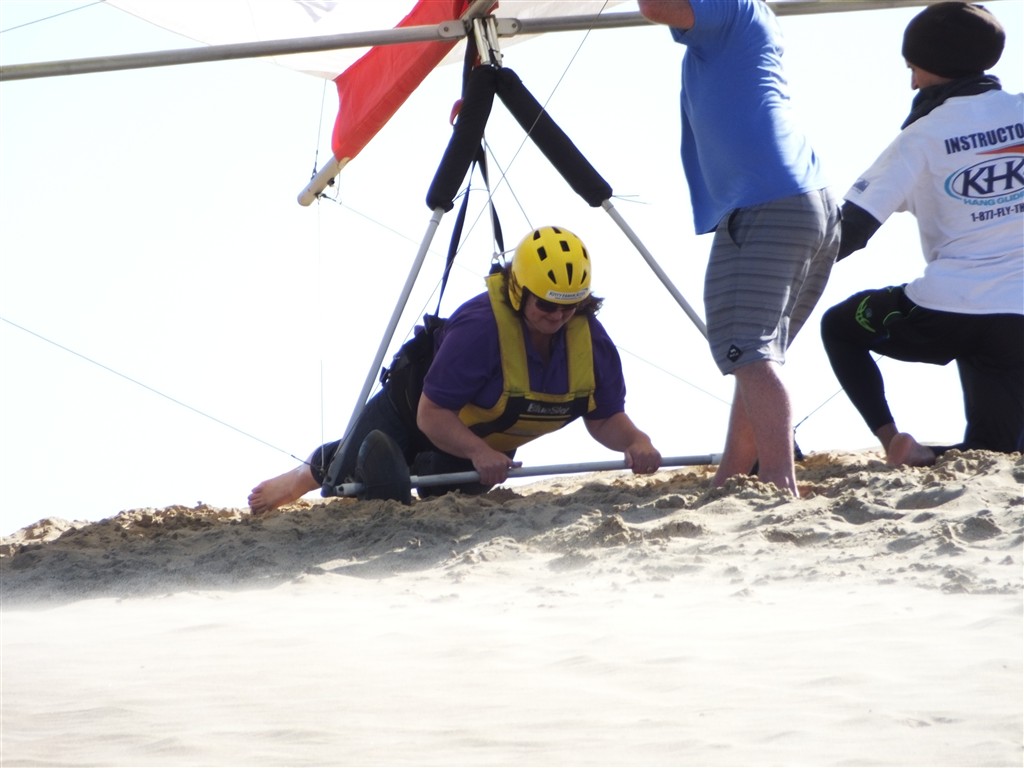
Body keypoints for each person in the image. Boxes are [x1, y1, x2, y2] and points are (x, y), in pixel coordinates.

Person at [249, 225, 662, 513]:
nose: (556, 316)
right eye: (545, 304)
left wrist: (636, 441)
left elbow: (603, 417)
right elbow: (431, 414)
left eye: (568, 307)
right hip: (412, 411)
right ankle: (300, 477)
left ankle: (422, 468)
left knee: (442, 485)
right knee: (354, 471)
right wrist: (480, 452)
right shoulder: (480, 328)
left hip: (477, 440)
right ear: (519, 290)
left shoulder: (591, 343)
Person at [636, 0, 840, 495]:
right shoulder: (745, 16)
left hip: (767, 204)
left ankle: (778, 480)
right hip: (803, 202)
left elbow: (654, 6)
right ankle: (733, 477)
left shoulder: (732, 7)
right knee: (755, 353)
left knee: (749, 351)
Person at [820, 2, 1023, 467]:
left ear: (935, 64)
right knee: (997, 453)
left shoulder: (920, 136)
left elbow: (849, 230)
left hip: (946, 308)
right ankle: (923, 455)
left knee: (840, 326)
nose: (912, 83)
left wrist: (783, 270)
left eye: (913, 68)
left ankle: (894, 440)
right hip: (1018, 318)